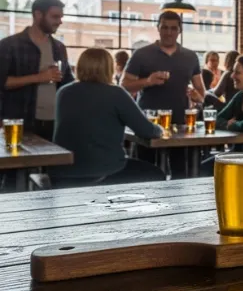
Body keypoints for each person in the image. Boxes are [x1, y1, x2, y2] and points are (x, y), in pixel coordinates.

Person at [49, 48, 164, 187]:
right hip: (103, 172)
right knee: (157, 175)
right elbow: (147, 131)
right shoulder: (115, 93)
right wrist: (160, 129)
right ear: (109, 69)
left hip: (62, 173)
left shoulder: (63, 92)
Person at [121, 11, 205, 178]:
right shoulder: (141, 54)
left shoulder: (190, 56)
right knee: (145, 175)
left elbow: (201, 92)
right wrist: (148, 81)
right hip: (147, 125)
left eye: (173, 28)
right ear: (158, 28)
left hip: (180, 126)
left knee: (181, 176)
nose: (168, 32)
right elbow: (123, 86)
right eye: (165, 27)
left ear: (180, 30)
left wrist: (197, 97)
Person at [0, 0, 74, 141]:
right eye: (55, 17)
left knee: (55, 156)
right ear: (38, 15)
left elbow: (67, 83)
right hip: (20, 122)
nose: (60, 21)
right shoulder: (9, 45)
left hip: (55, 122)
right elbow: (2, 82)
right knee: (20, 156)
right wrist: (39, 77)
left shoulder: (59, 47)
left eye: (61, 17)